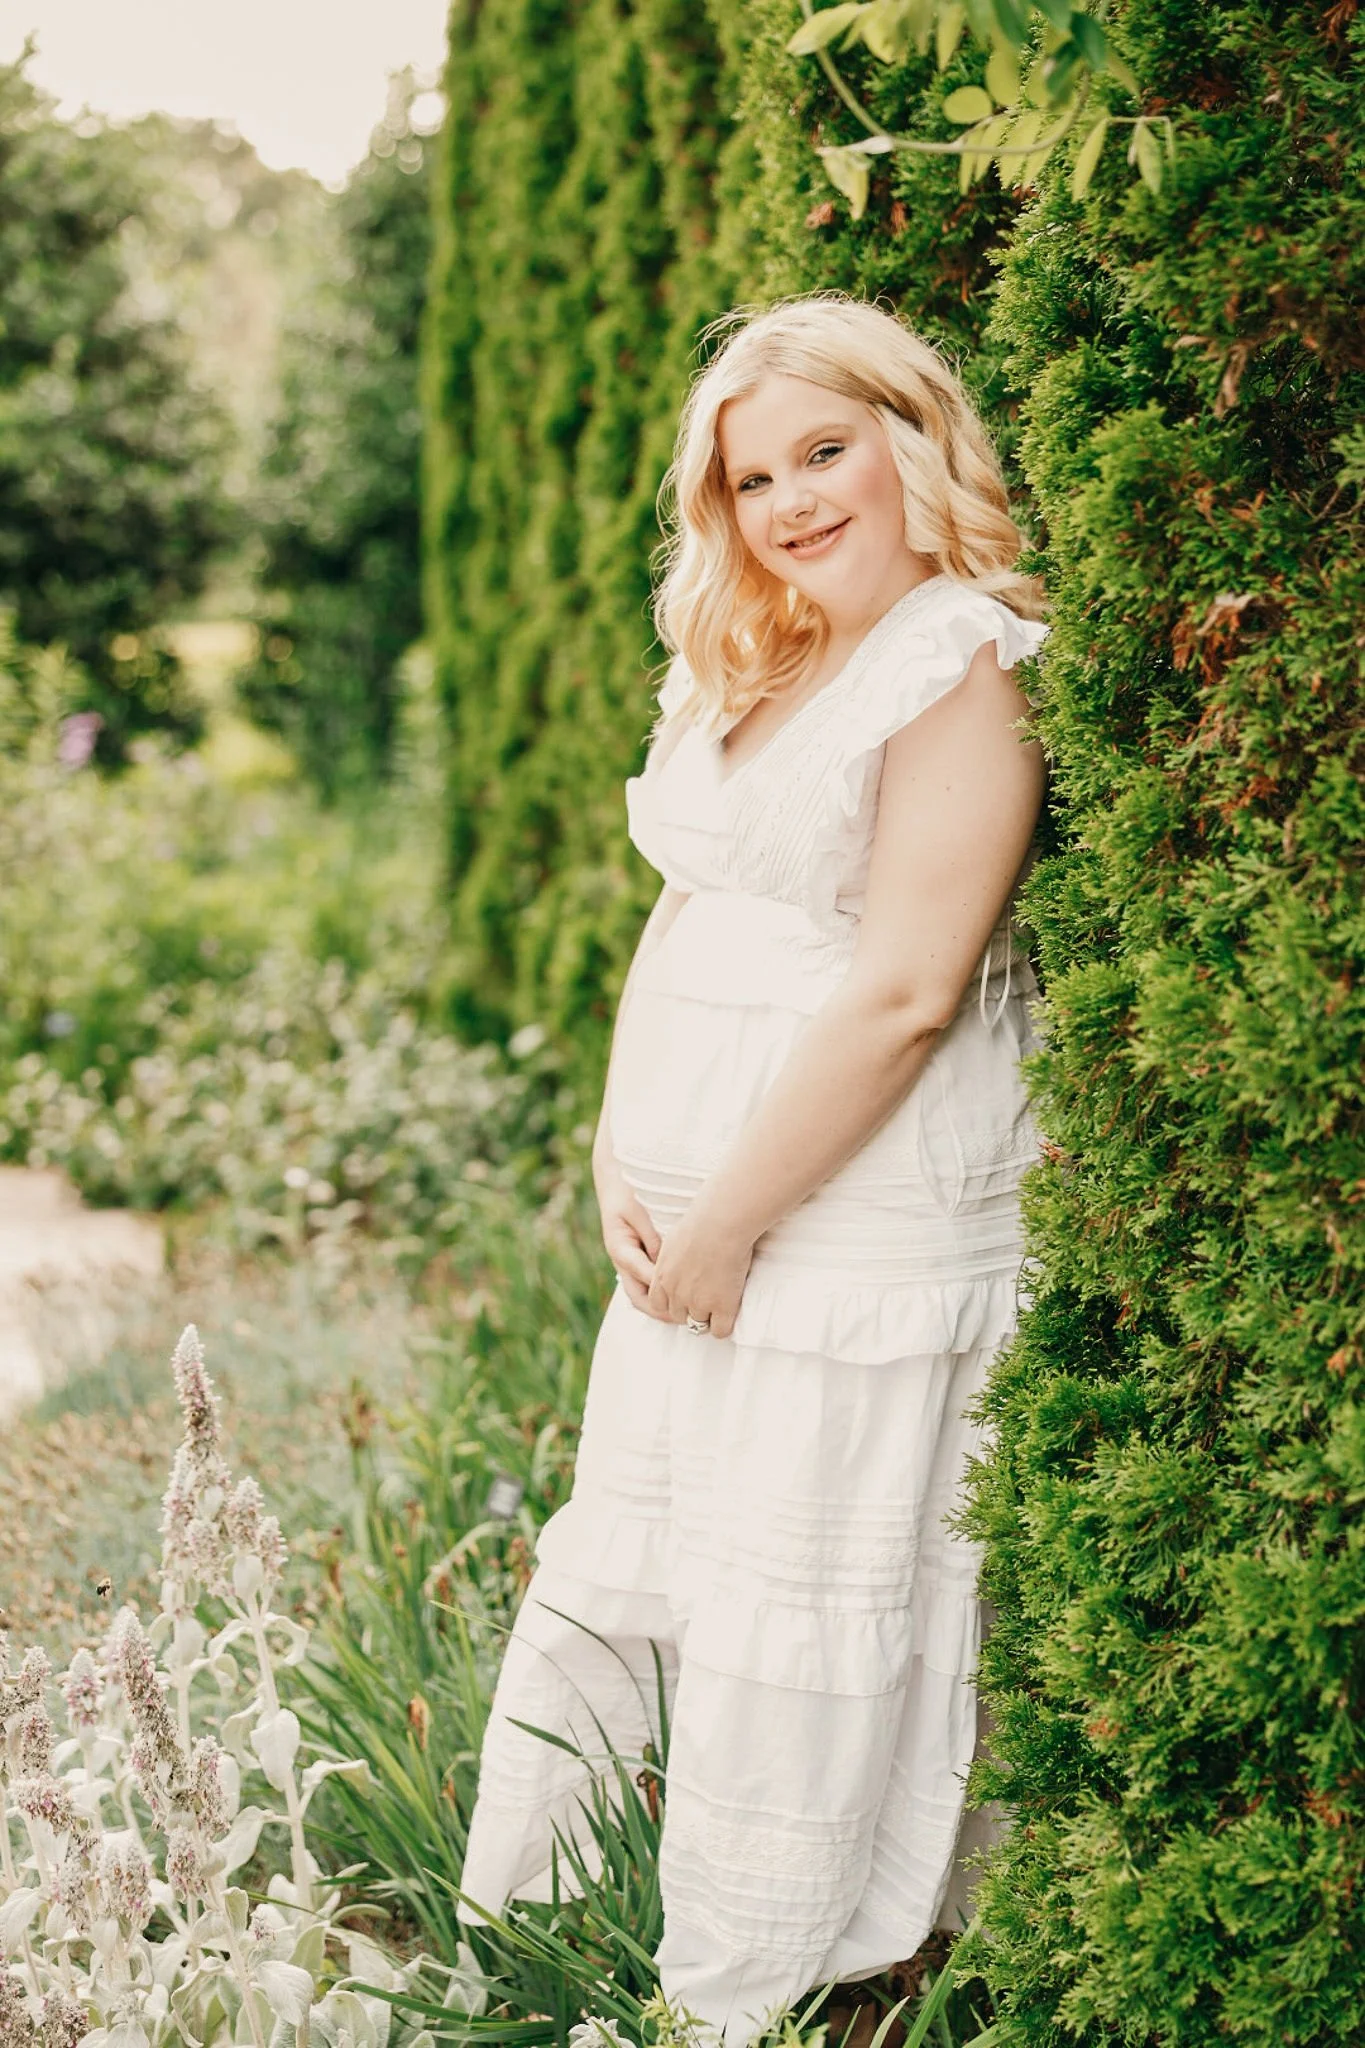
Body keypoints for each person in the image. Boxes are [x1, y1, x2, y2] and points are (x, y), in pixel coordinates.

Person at [455, 292, 1050, 2046]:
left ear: (912, 437)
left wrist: (729, 1218)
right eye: (752, 477)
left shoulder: (965, 660)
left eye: (823, 450)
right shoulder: (776, 657)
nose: (788, 500)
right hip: (698, 1229)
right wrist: (616, 1143)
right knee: (690, 1580)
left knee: (813, 1593)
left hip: (837, 1230)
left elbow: (905, 991)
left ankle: (787, 1993)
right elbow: (696, 908)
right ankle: (602, 1963)